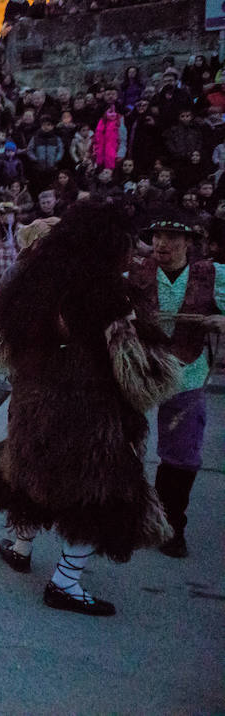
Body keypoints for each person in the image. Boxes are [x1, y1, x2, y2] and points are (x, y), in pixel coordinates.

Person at [0, 201, 181, 616]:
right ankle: (65, 583)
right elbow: (145, 374)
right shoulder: (111, 295)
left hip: (33, 405)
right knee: (95, 497)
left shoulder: (31, 284)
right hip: (91, 417)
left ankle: (19, 547)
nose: (133, 250)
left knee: (29, 476)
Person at [127, 213, 225, 558]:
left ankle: (169, 527)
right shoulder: (136, 271)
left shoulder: (213, 275)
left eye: (171, 236)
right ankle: (122, 519)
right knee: (121, 446)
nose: (161, 243)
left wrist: (222, 320)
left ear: (188, 242)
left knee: (182, 455)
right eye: (156, 236)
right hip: (139, 371)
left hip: (187, 373)